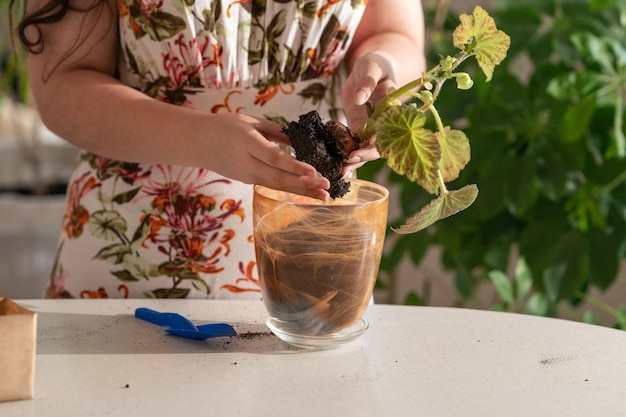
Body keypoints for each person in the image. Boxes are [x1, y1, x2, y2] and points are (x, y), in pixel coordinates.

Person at [11, 0, 425, 299]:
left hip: (313, 255)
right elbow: (62, 84)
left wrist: (385, 68)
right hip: (135, 258)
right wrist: (200, 138)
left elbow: (394, 30)